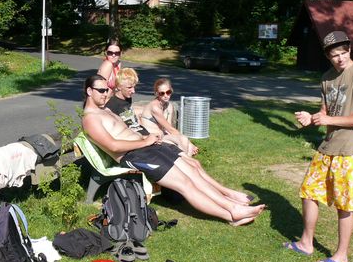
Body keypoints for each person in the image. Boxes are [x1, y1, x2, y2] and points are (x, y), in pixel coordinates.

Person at [82, 75, 265, 226]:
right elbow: (113, 146)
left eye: (107, 90)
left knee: (193, 170)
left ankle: (230, 203)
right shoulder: (91, 118)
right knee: (185, 184)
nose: (106, 94)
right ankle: (231, 214)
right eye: (101, 90)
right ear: (89, 91)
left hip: (148, 146)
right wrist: (145, 141)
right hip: (135, 155)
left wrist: (148, 138)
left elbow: (129, 127)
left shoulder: (105, 110)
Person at [289, 31, 353, 262]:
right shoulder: (327, 78)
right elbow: (325, 113)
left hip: (351, 150)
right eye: (335, 55)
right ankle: (306, 243)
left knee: (344, 204)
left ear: (350, 50)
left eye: (343, 52)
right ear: (327, 56)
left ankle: (341, 256)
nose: (340, 58)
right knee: (308, 191)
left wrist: (329, 120)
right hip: (328, 146)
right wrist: (312, 118)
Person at [140, 77, 198, 157]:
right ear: (156, 94)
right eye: (162, 93)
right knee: (184, 141)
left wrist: (187, 142)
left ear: (171, 91)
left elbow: (169, 128)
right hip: (152, 138)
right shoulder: (155, 107)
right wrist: (190, 143)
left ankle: (186, 161)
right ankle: (185, 161)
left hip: (162, 136)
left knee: (185, 142)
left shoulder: (169, 106)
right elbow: (170, 129)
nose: (166, 95)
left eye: (168, 92)